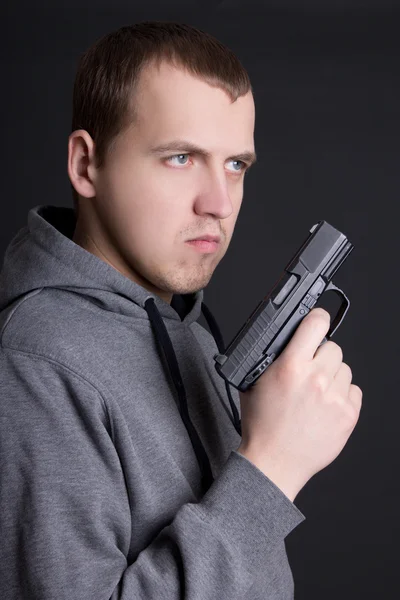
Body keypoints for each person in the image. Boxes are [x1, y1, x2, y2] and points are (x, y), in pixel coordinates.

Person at [0, 21, 362, 600]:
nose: (218, 202)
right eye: (180, 158)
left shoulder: (186, 326)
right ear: (85, 165)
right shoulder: (36, 361)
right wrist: (272, 468)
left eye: (236, 165)